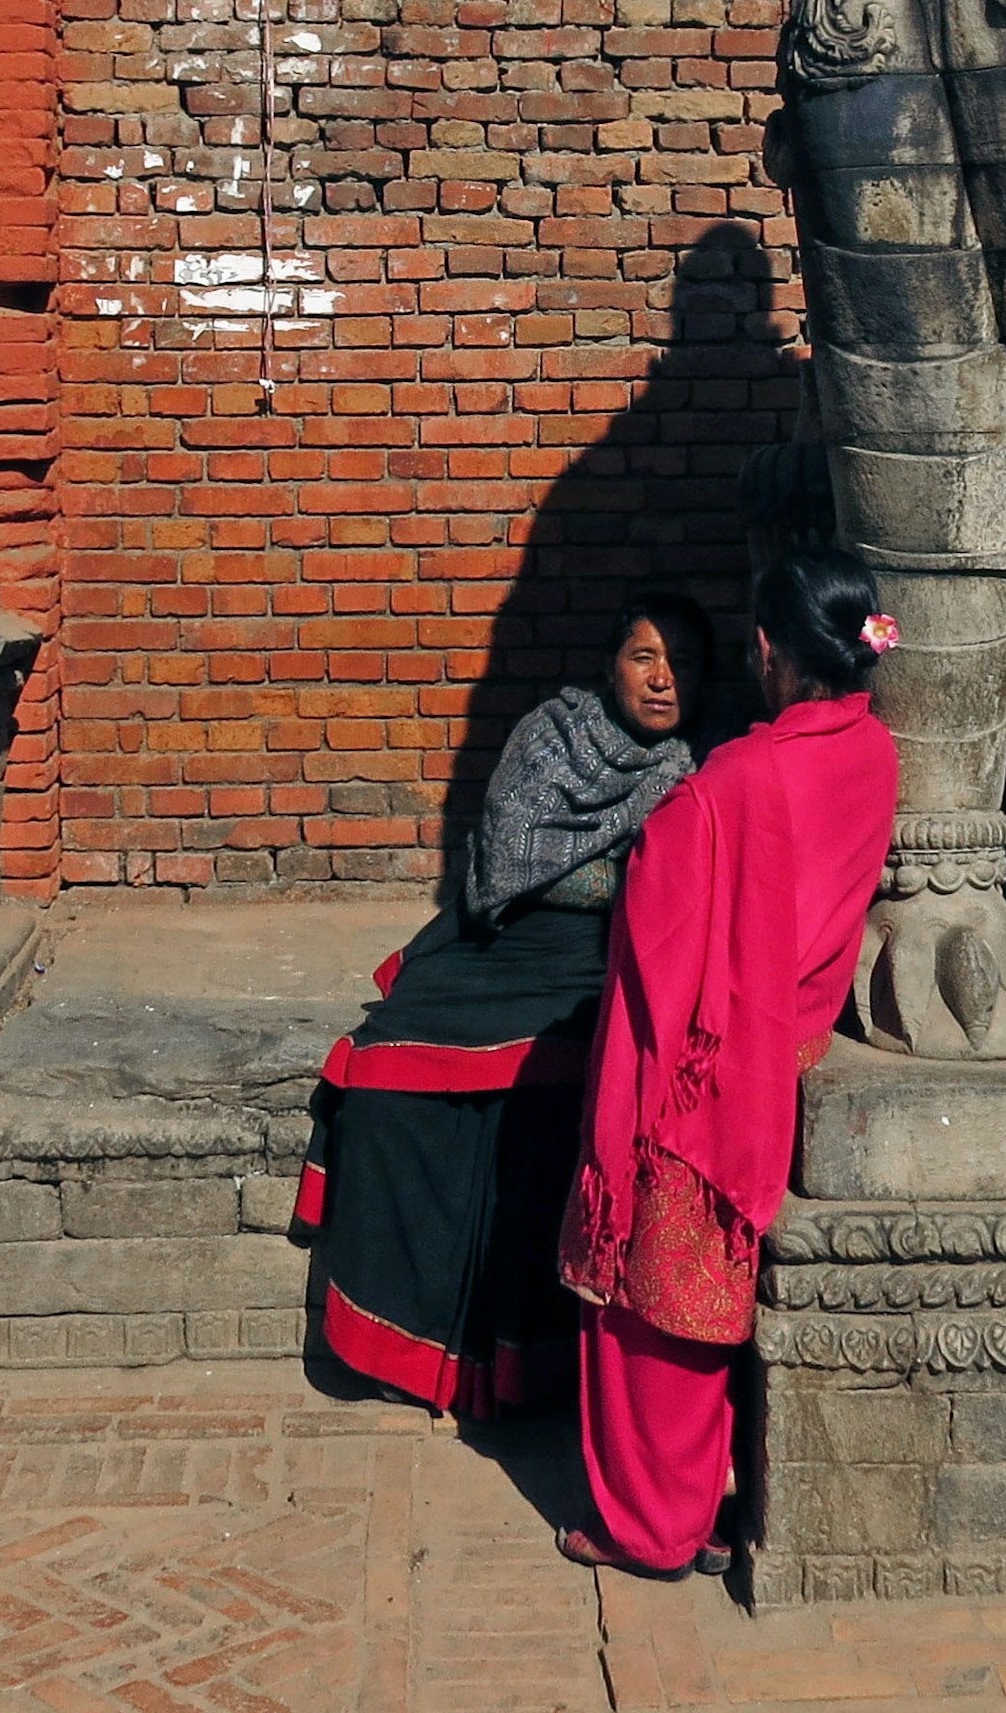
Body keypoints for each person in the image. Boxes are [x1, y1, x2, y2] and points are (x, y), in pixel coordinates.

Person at [556, 544, 901, 1576]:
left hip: (701, 1067)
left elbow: (662, 927)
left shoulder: (737, 780)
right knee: (702, 1300)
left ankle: (652, 1528)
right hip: (781, 1046)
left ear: (765, 651)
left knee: (646, 1306)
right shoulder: (873, 752)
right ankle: (698, 1508)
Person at [295, 586, 719, 1419]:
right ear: (611, 667)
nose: (664, 680)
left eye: (682, 664)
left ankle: (524, 1370)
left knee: (546, 1110)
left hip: (600, 963)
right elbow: (510, 866)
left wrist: (612, 884)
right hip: (500, 943)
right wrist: (617, 871)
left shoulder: (696, 766)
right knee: (384, 1080)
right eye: (645, 658)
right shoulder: (550, 734)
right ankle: (404, 1348)